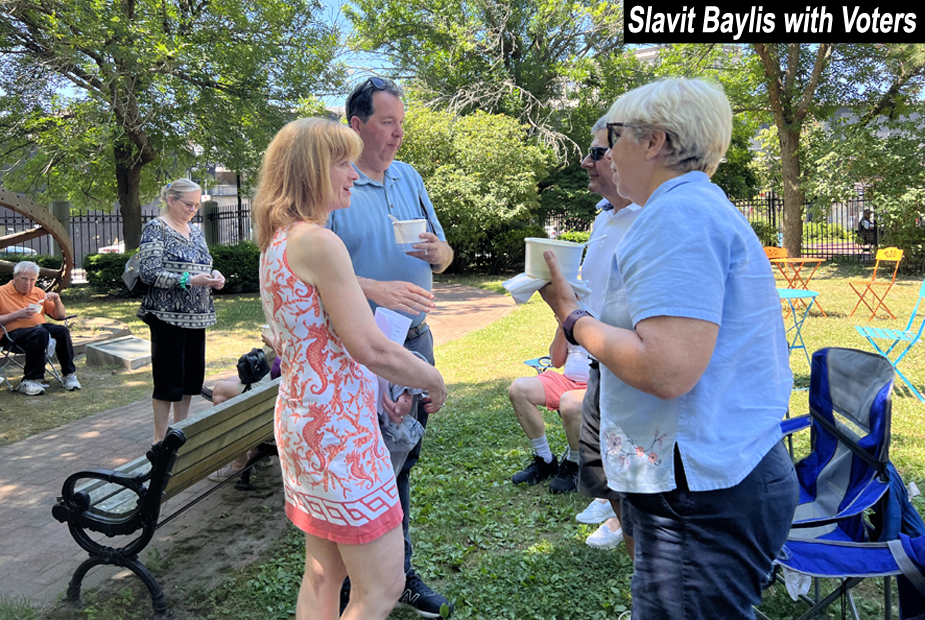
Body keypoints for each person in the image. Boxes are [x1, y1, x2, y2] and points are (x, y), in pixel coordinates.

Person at [539, 78, 798, 619]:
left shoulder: (676, 215)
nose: (604, 153)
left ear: (654, 140)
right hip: (716, 474)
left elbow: (666, 368)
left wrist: (572, 318)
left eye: (613, 136)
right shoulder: (693, 207)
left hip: (701, 489)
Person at [253, 117, 447, 620]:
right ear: (311, 171)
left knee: (324, 575)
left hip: (306, 425)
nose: (353, 174)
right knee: (383, 585)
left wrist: (374, 388)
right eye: (341, 162)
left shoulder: (278, 241)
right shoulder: (318, 241)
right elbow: (370, 347)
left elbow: (321, 344)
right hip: (341, 438)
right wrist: (431, 377)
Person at [328, 77, 455, 618]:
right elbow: (313, 275)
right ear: (355, 126)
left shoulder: (409, 176)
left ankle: (397, 573)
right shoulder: (334, 184)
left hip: (413, 339)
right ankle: (347, 585)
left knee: (403, 460)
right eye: (387, 122)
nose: (399, 134)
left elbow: (445, 254)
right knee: (363, 469)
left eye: (402, 123)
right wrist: (373, 288)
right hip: (359, 349)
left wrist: (440, 250)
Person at [573, 117, 642, 552]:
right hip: (600, 355)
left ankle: (630, 532)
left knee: (630, 470)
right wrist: (569, 328)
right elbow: (594, 288)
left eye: (596, 152)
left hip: (630, 363)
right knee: (600, 462)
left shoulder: (650, 218)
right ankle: (623, 526)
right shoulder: (604, 216)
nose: (586, 162)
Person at [138, 178, 225, 443]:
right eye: (188, 204)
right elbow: (149, 273)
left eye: (197, 205)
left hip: (197, 316)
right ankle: (160, 439)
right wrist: (189, 280)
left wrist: (215, 275)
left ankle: (180, 432)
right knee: (168, 381)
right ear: (171, 200)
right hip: (167, 317)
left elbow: (205, 265)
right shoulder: (156, 228)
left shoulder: (196, 231)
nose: (193, 209)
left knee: (190, 380)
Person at [508, 328, 588, 494]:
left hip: (600, 383)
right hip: (568, 381)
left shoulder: (614, 308)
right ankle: (545, 459)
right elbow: (557, 361)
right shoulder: (572, 308)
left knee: (570, 402)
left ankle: (576, 464)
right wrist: (562, 327)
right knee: (519, 389)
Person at [0, 260, 80, 395]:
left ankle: (69, 375)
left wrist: (57, 300)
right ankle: (30, 380)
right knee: (39, 333)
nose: (28, 284)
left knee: (61, 331)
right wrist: (16, 315)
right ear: (15, 277)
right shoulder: (1, 292)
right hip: (10, 334)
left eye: (33, 280)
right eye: (24, 279)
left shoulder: (38, 292)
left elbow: (60, 316)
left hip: (39, 328)